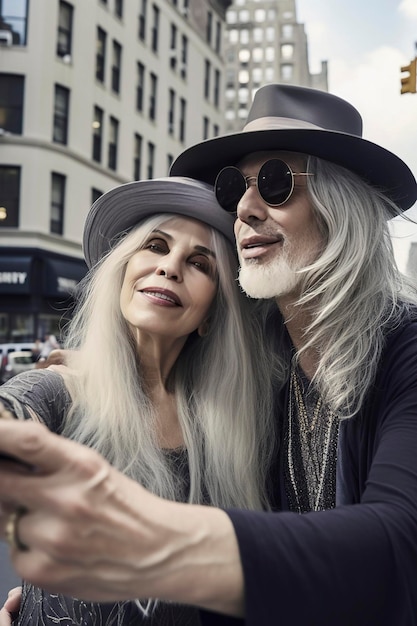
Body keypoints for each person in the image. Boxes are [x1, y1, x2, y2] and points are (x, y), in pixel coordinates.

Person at [0, 83, 417, 625]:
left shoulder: (404, 349)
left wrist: (152, 544)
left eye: (274, 182)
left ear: (342, 207)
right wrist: (102, 372)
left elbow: (400, 538)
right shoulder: (266, 367)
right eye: (233, 187)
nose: (244, 208)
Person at [0, 175, 275, 625]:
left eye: (200, 264)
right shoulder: (60, 391)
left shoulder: (232, 430)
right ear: (122, 272)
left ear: (210, 317)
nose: (170, 267)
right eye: (156, 246)